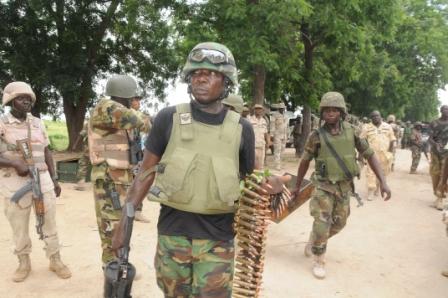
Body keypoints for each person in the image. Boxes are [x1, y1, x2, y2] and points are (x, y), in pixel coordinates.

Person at [111, 42, 259, 297]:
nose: (201, 79)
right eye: (196, 74)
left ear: (226, 82)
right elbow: (145, 175)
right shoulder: (168, 118)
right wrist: (125, 222)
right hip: (173, 234)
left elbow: (250, 183)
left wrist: (271, 189)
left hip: (218, 238)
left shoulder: (242, 128)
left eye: (210, 74)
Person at [294, 91, 391, 279]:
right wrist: (297, 186)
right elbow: (304, 162)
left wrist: (383, 182)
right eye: (327, 110)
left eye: (334, 110)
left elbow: (370, 154)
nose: (330, 114)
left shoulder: (352, 131)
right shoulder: (316, 136)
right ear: (322, 113)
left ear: (341, 112)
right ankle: (319, 259)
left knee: (339, 224)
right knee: (322, 223)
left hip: (344, 187)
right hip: (323, 186)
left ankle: (314, 240)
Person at [0, 81, 71, 282]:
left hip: (43, 180)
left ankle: (55, 260)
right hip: (15, 183)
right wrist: (14, 164)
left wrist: (54, 179)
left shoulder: (38, 123)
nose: (26, 102)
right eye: (21, 99)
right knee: (19, 226)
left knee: (50, 223)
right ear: (11, 101)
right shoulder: (2, 124)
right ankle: (23, 263)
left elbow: (47, 151)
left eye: (29, 99)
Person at [87, 74, 145, 265]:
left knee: (122, 221)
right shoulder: (106, 108)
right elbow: (138, 120)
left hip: (121, 176)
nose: (134, 101)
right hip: (109, 178)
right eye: (133, 97)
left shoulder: (119, 113)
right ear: (125, 94)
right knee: (111, 223)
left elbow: (143, 125)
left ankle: (118, 261)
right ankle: (112, 264)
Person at [361, 111, 396, 200]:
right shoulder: (367, 127)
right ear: (371, 118)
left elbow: (392, 140)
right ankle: (370, 191)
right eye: (373, 116)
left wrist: (390, 153)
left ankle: (378, 188)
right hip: (371, 155)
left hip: (385, 155)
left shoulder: (388, 127)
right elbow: (362, 140)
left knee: (382, 173)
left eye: (377, 116)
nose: (376, 117)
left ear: (381, 116)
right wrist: (362, 154)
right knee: (371, 172)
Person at [129, 94, 152, 223]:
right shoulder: (125, 115)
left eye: (139, 100)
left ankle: (137, 212)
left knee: (138, 183)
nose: (138, 102)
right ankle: (129, 213)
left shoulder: (141, 116)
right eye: (135, 100)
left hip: (137, 155)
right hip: (126, 156)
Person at [428, 105, 448, 210]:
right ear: (441, 111)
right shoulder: (434, 123)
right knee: (435, 174)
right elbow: (430, 138)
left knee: (444, 175)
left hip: (446, 154)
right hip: (435, 153)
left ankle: (441, 197)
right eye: (445, 109)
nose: (447, 111)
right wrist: (435, 144)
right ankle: (437, 194)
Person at [249, 104, 270, 169]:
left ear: (262, 110)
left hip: (261, 145)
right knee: (253, 164)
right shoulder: (249, 119)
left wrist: (268, 142)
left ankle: (260, 178)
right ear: (254, 110)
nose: (258, 110)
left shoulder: (263, 120)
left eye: (260, 109)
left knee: (261, 164)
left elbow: (266, 132)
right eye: (256, 109)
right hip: (252, 145)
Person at [270, 102, 287, 170]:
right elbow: (272, 125)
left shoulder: (285, 116)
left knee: (282, 150)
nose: (282, 109)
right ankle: (277, 165)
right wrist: (271, 134)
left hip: (284, 135)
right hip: (277, 135)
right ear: (278, 109)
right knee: (277, 150)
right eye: (281, 108)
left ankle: (280, 163)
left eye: (283, 108)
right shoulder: (275, 115)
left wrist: (288, 135)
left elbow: (286, 126)